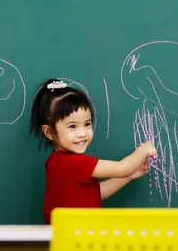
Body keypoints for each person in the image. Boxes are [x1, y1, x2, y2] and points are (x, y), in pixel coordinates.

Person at [29, 79, 157, 224]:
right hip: (72, 239)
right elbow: (123, 168)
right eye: (72, 126)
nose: (82, 133)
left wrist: (130, 176)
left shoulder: (59, 161)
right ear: (49, 132)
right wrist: (144, 149)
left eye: (87, 124)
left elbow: (94, 195)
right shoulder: (71, 163)